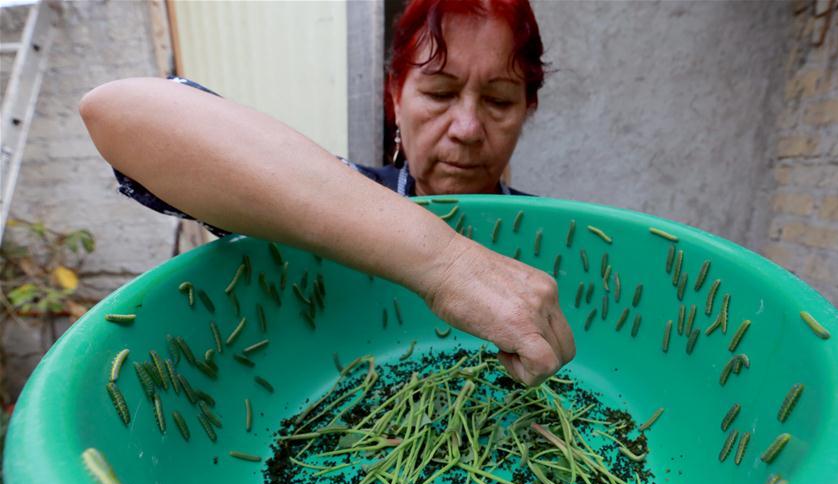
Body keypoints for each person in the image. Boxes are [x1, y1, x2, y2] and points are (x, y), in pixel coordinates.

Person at [79, 0, 574, 386]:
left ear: (527, 109)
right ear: (395, 96)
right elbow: (117, 112)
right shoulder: (342, 203)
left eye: (499, 100)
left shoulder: (559, 244)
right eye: (440, 93)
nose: (467, 127)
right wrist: (448, 264)